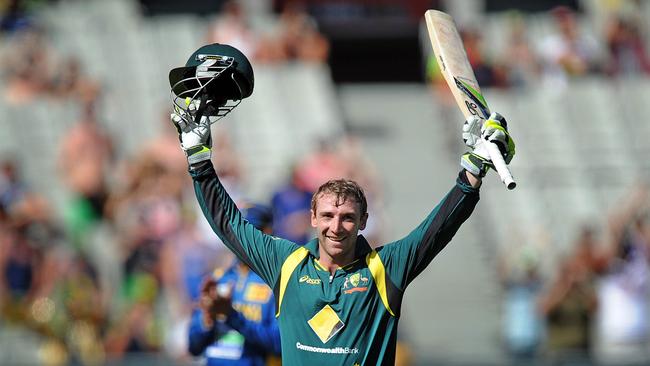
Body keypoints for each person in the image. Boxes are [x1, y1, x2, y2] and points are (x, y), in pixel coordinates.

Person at [168, 43, 515, 364]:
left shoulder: (385, 268)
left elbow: (439, 229)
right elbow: (229, 224)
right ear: (313, 219)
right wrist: (199, 160)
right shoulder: (287, 264)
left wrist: (472, 171)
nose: (336, 226)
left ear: (364, 221)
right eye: (329, 215)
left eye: (348, 217)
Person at [187, 203, 282, 365]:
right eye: (237, 231)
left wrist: (232, 316)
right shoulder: (217, 279)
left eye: (250, 231)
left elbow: (280, 345)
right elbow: (193, 347)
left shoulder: (277, 283)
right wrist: (207, 320)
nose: (241, 239)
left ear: (268, 232)